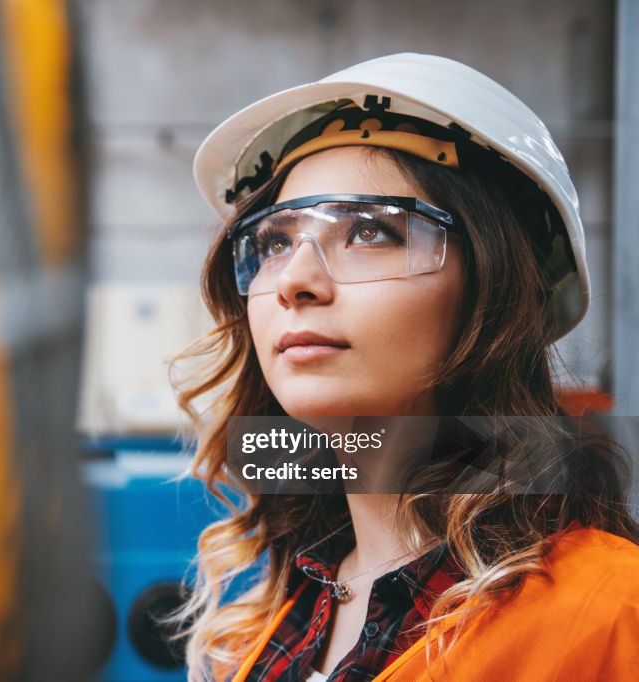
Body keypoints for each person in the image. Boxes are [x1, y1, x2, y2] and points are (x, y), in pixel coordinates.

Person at [168, 53, 639, 681]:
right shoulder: (265, 623)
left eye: (369, 232)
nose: (295, 281)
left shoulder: (610, 616)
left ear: (493, 290)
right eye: (275, 242)